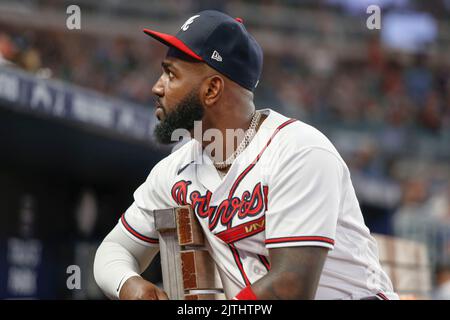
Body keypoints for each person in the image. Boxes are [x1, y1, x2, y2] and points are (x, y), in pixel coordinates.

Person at [93, 10, 398, 300]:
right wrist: (130, 285)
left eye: (171, 75)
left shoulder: (299, 151)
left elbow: (289, 287)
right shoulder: (174, 170)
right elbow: (114, 249)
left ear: (212, 90)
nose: (156, 88)